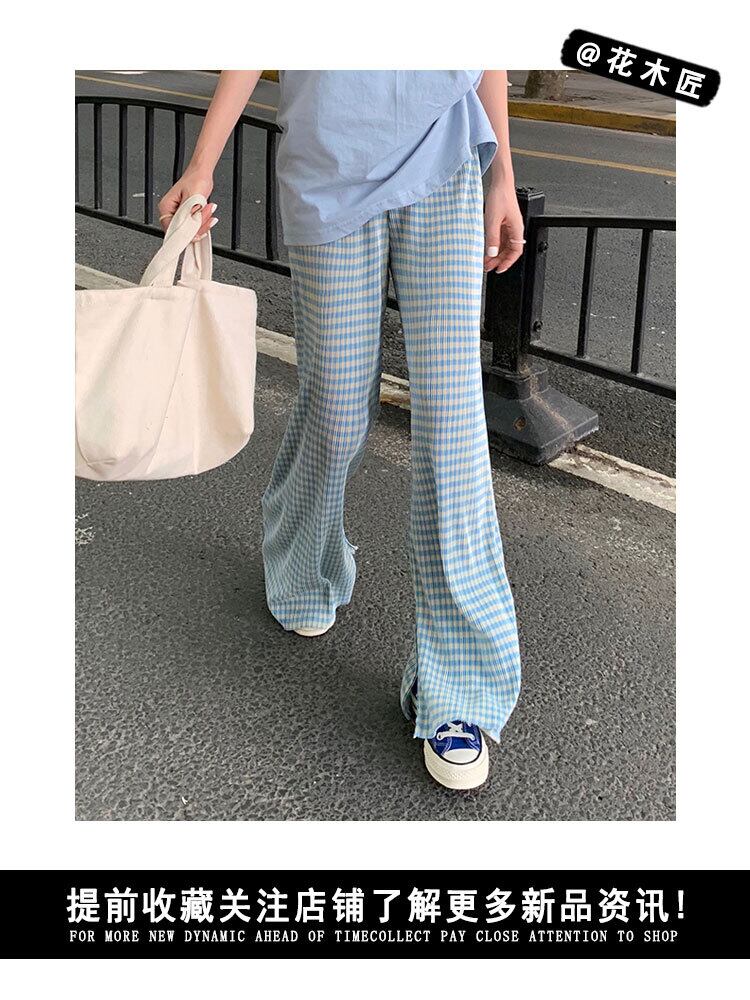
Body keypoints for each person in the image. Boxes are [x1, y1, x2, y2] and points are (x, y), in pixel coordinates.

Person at [159, 70, 524, 790]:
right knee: (334, 406)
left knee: (452, 423)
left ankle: (460, 688)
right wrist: (202, 165)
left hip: (443, 157)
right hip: (328, 164)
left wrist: (503, 176)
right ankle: (304, 565)